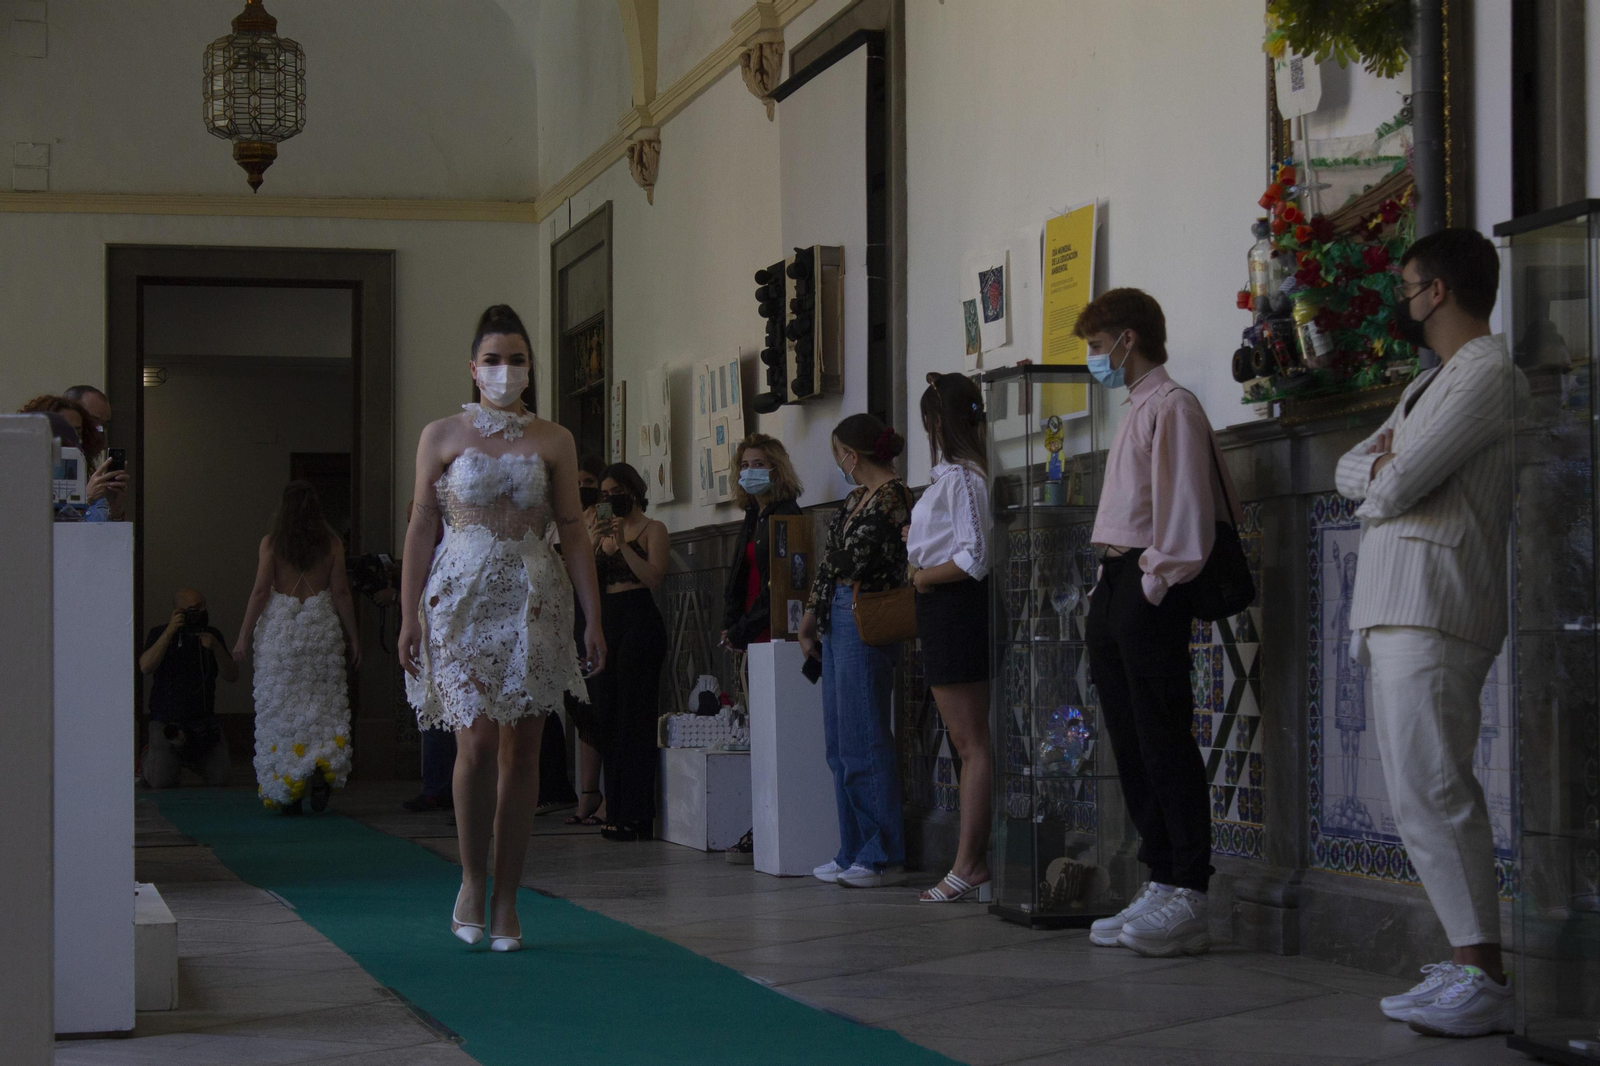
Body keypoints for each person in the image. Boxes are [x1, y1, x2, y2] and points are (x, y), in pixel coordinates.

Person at [1332, 229, 1523, 1039]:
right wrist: (1379, 471)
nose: (1402, 300)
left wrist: (1382, 471)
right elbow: (1357, 468)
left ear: (1437, 289)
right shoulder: (1427, 384)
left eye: (1409, 284)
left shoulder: (1489, 375)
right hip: (1398, 604)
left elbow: (1397, 476)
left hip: (1438, 601)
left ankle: (1483, 972)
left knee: (1437, 789)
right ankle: (1466, 957)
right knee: (1418, 791)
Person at [399, 303, 604, 953]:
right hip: (460, 596)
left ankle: (509, 898)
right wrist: (408, 613)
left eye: (516, 359)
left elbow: (572, 528)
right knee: (476, 745)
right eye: (493, 359)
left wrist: (593, 613)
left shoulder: (554, 439)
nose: (504, 370)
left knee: (523, 750)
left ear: (530, 368)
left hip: (533, 596)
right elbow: (422, 526)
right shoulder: (441, 435)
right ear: (472, 368)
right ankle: (469, 879)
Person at [1075, 288, 1242, 958]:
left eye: (1096, 346)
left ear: (1128, 339)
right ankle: (1161, 873)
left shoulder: (1171, 407)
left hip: (1151, 585)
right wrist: (1108, 586)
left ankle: (1190, 889)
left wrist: (1152, 582)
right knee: (1131, 736)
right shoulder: (1136, 408)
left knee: (1164, 732)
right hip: (1117, 582)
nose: (1094, 359)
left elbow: (1182, 510)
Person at [798, 414, 912, 889]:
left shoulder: (893, 498)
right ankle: (851, 849)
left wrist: (825, 586)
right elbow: (830, 564)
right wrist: (811, 615)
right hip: (837, 611)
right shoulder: (854, 499)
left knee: (865, 738)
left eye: (838, 451)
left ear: (854, 453)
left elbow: (849, 560)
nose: (837, 460)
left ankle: (880, 852)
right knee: (839, 744)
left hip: (866, 611)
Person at [907, 373, 993, 902]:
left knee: (972, 745)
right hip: (941, 611)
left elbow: (975, 558)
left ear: (938, 423)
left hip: (955, 609)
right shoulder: (949, 478)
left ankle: (969, 863)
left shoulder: (963, 478)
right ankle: (968, 861)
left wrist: (921, 576)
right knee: (966, 744)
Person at [232, 481, 361, 816]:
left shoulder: (272, 544)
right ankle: (320, 770)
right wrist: (354, 638)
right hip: (321, 635)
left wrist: (243, 636)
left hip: (282, 635)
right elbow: (342, 593)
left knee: (282, 708)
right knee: (324, 708)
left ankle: (288, 782)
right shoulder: (332, 544)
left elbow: (261, 592)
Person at [587, 462, 670, 842]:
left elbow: (653, 577)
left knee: (635, 718)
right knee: (607, 715)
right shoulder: (600, 532)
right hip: (607, 621)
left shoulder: (654, 529)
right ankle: (614, 807)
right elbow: (581, 577)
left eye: (615, 492)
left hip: (639, 619)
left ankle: (637, 814)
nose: (609, 500)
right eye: (603, 495)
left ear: (633, 491)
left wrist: (621, 545)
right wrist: (593, 543)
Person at [140, 588, 238, 788]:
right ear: (179, 611)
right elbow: (145, 666)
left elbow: (232, 676)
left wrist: (217, 648)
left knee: (222, 778)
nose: (202, 611)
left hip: (202, 723)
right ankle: (147, 759)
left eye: (203, 606)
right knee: (161, 781)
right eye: (195, 608)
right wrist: (170, 631)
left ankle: (188, 761)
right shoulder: (159, 633)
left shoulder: (212, 635)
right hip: (166, 722)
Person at [720, 433, 805, 653]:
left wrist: (742, 629)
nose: (750, 471)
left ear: (775, 470)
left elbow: (780, 580)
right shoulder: (753, 514)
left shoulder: (786, 514)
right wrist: (731, 624)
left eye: (758, 464)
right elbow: (739, 574)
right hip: (747, 622)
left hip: (770, 623)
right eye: (745, 465)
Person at [561, 455, 610, 827]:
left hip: (598, 612)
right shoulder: (555, 519)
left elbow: (593, 559)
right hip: (563, 617)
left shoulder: (603, 520)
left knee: (599, 704)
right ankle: (587, 790)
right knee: (579, 707)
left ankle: (602, 791)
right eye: (575, 483)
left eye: (588, 481)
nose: (582, 489)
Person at [19, 394, 125, 518]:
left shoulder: (91, 482)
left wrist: (115, 510)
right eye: (64, 433)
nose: (72, 441)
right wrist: (85, 500)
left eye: (78, 434)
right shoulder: (22, 479)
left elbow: (106, 534)